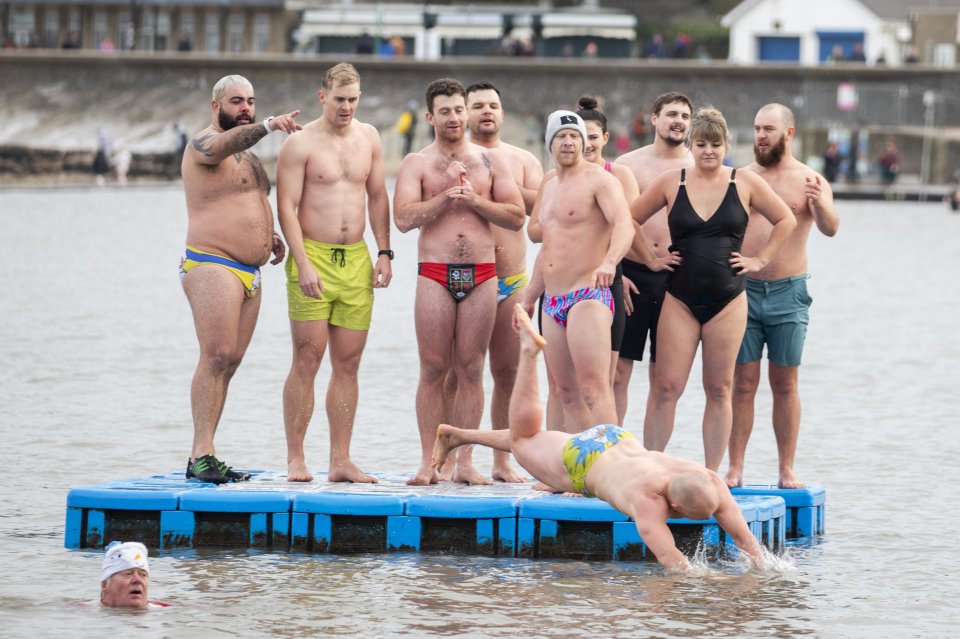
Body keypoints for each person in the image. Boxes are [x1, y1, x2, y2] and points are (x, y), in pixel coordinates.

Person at [431, 305, 765, 572]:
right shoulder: (647, 501)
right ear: (674, 505)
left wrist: (763, 567)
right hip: (584, 462)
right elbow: (671, 560)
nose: (708, 518)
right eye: (694, 516)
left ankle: (456, 436)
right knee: (523, 440)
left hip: (612, 437)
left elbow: (744, 537)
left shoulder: (706, 480)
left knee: (536, 440)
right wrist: (712, 583)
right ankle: (529, 355)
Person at [631, 106, 796, 472]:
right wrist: (649, 260)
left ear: (727, 146)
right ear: (691, 144)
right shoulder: (672, 182)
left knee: (719, 389)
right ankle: (650, 469)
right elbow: (627, 218)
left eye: (716, 144)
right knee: (664, 388)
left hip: (729, 300)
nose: (708, 151)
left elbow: (786, 219)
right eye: (702, 144)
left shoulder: (746, 182)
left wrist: (759, 260)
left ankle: (711, 474)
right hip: (679, 298)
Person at [393, 78, 524, 485]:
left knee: (471, 368)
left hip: (484, 274)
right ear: (431, 116)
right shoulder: (416, 162)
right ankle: (428, 463)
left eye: (459, 109)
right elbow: (402, 219)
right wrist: (447, 194)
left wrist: (474, 201)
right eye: (445, 111)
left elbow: (517, 216)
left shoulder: (490, 161)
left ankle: (466, 464)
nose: (454, 117)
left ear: (467, 113)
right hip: (435, 271)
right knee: (433, 369)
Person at [179, 74, 301, 484]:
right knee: (215, 355)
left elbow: (247, 200)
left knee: (229, 363)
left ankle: (208, 453)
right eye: (236, 101)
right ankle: (200, 453)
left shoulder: (248, 157)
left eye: (250, 101)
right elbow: (224, 145)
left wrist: (268, 236)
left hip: (250, 271)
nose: (245, 108)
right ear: (217, 106)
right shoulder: (203, 143)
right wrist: (266, 125)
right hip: (212, 262)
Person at [276, 63, 391, 484]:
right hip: (314, 257)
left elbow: (378, 196)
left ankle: (341, 459)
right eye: (340, 99)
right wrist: (301, 261)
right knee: (307, 357)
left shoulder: (370, 137)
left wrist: (385, 252)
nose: (347, 107)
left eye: (353, 99)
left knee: (350, 362)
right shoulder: (299, 144)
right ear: (322, 97)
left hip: (356, 259)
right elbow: (285, 206)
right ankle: (296, 458)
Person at [725, 103, 839, 489]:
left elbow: (831, 228)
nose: (760, 135)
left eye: (769, 129)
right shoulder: (741, 177)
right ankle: (735, 467)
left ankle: (785, 469)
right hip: (744, 289)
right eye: (757, 128)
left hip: (789, 291)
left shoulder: (810, 179)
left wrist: (822, 205)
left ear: (788, 134)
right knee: (742, 382)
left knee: (785, 383)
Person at [439, 80, 543, 482]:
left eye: (493, 106)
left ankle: (502, 460)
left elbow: (542, 206)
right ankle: (449, 458)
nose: (486, 112)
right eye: (477, 105)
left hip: (511, 280)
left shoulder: (520, 159)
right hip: (463, 278)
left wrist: (501, 183)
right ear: (464, 112)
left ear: (502, 113)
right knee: (455, 372)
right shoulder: (453, 158)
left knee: (507, 373)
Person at [525, 110, 637, 433]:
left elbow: (624, 226)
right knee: (566, 394)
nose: (570, 142)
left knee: (593, 390)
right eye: (562, 136)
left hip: (588, 294)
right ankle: (577, 470)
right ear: (550, 143)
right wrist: (531, 294)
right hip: (552, 301)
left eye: (575, 136)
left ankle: (609, 465)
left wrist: (609, 261)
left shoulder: (600, 180)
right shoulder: (549, 184)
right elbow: (548, 244)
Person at [614, 92, 694, 425]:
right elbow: (612, 225)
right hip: (633, 274)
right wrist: (619, 272)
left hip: (677, 278)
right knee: (617, 373)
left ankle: (652, 460)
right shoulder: (627, 166)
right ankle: (613, 455)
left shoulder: (699, 166)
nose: (679, 121)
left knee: (665, 382)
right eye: (672, 114)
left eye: (686, 117)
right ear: (655, 119)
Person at [100, 541, 168, 609]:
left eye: (143, 575)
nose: (137, 580)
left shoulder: (165, 612)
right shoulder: (91, 612)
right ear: (105, 585)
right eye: (128, 574)